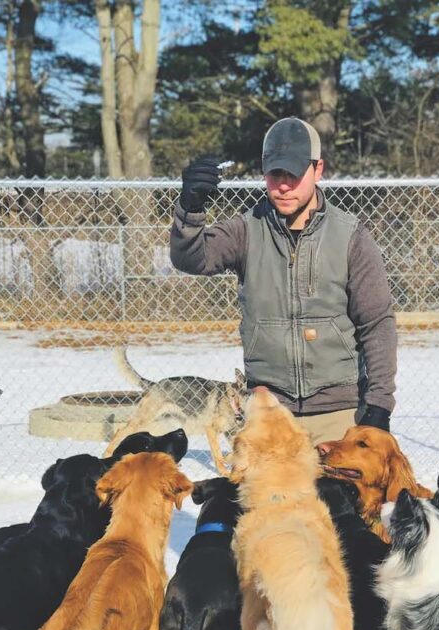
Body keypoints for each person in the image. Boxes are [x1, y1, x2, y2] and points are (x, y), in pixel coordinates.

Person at [169, 117, 397, 444]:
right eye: (276, 174)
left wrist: (379, 405)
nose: (284, 185)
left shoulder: (350, 236)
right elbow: (191, 258)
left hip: (338, 413)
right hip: (269, 410)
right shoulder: (247, 230)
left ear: (318, 169)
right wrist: (190, 209)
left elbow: (376, 322)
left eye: (294, 173)